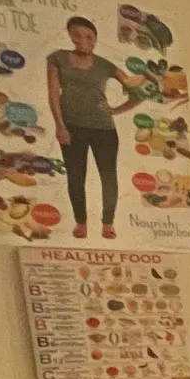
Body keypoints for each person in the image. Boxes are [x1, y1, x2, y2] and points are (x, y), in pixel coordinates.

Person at [45, 16, 136, 239]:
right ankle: (81, 222)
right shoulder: (57, 58)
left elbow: (138, 90)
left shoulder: (106, 66)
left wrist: (117, 110)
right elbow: (53, 93)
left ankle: (108, 222)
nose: (83, 40)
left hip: (104, 128)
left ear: (95, 38)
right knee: (76, 176)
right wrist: (59, 125)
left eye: (89, 36)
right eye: (77, 35)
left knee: (108, 176)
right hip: (72, 127)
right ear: (70, 35)